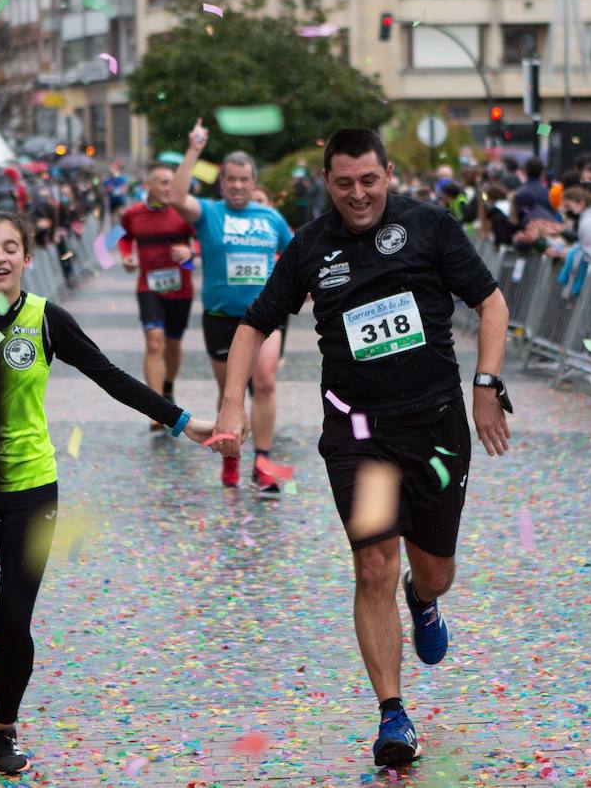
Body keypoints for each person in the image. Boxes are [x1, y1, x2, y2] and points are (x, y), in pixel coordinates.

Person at [209, 127, 511, 769]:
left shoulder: (429, 226)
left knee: (434, 570)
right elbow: (255, 323)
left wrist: (485, 384)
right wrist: (232, 402)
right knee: (373, 562)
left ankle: (423, 598)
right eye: (343, 183)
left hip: (433, 431)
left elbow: (490, 300)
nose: (357, 194)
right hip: (361, 437)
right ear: (327, 183)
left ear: (388, 174)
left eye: (368, 180)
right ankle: (393, 715)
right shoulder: (312, 246)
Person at [0, 212, 214, 775]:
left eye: (10, 248)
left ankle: (3, 730)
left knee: (16, 620)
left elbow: (109, 375)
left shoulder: (46, 319)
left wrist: (182, 421)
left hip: (34, 489)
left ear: (28, 259)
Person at [170, 120, 294, 492]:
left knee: (266, 382)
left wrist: (304, 289)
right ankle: (231, 456)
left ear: (254, 183)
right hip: (223, 318)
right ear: (221, 183)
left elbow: (295, 257)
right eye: (231, 180)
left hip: (267, 316)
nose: (238, 186)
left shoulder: (271, 218)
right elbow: (177, 198)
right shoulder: (209, 213)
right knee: (231, 393)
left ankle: (263, 461)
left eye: (244, 180)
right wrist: (194, 149)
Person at [117, 163, 196, 427]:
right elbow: (122, 235)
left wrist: (189, 252)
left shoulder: (183, 213)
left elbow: (199, 239)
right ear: (148, 186)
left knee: (172, 345)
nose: (168, 188)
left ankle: (168, 387)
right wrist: (126, 255)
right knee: (154, 342)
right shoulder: (133, 214)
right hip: (148, 287)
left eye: (171, 182)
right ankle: (155, 407)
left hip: (180, 289)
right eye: (162, 182)